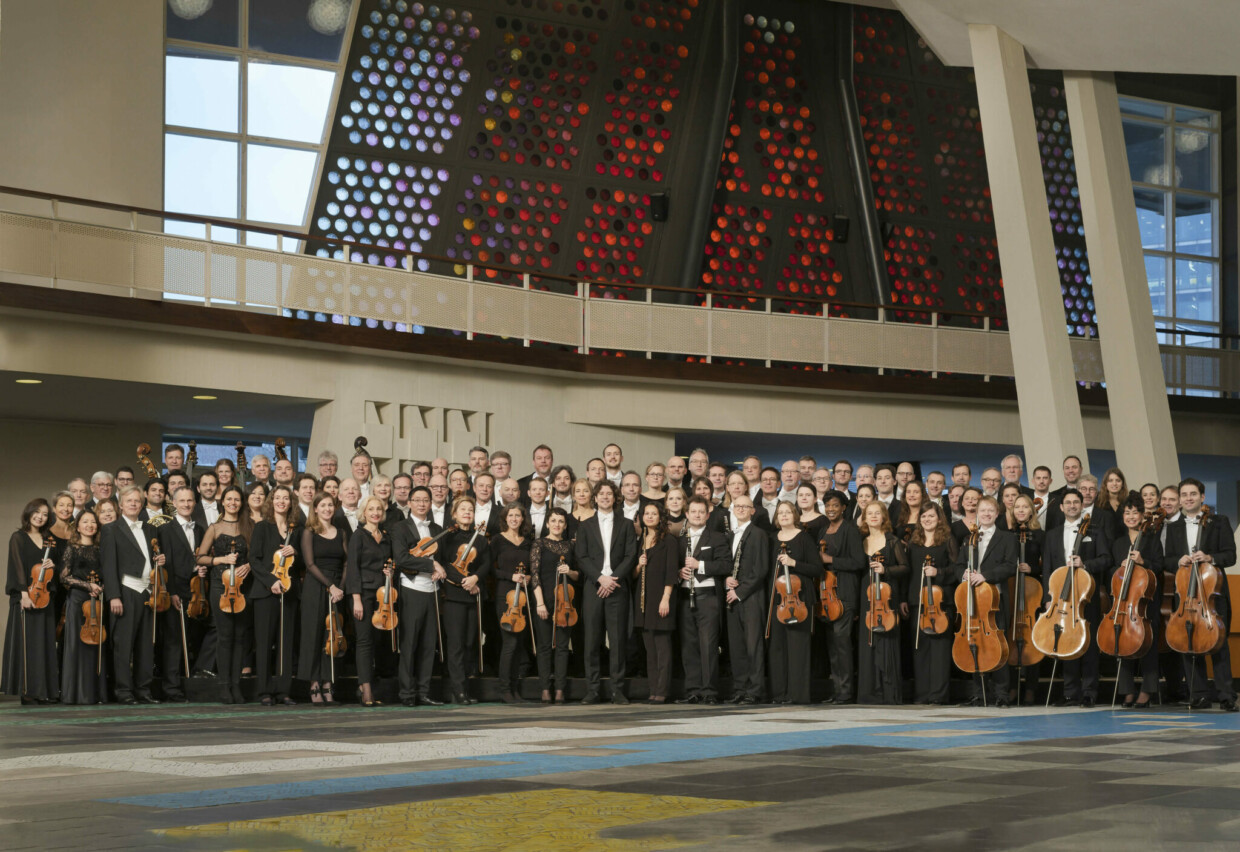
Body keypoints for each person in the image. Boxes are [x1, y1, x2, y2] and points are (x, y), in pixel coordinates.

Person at [1163, 478, 1237, 711]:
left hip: (1212, 594)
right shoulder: (1173, 527)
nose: (1188, 498)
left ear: (1202, 497)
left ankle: (1226, 696)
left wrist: (1210, 558)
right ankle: (1199, 694)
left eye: (1193, 494)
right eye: (1184, 495)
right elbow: (1164, 559)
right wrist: (1178, 560)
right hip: (1186, 594)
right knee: (1189, 643)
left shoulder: (1219, 522)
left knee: (1219, 643)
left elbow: (1230, 556)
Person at [102, 486, 169, 706]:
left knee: (145, 645)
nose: (133, 504)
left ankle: (143, 690)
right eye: (129, 501)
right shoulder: (111, 529)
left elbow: (151, 555)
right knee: (123, 645)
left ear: (142, 504)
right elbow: (109, 566)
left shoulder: (150, 528)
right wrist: (113, 596)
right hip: (126, 591)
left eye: (137, 501)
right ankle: (123, 691)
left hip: (148, 592)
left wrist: (159, 560)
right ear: (120, 504)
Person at [1044, 488, 1109, 708]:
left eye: (1076, 502)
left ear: (1082, 506)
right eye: (1068, 503)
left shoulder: (1096, 531)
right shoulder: (1052, 534)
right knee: (1065, 643)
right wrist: (1047, 598)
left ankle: (1089, 692)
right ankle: (1070, 692)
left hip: (1085, 596)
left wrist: (1085, 564)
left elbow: (1105, 559)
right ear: (1061, 507)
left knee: (1088, 644)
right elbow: (1047, 568)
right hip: (1061, 598)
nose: (1072, 506)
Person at [951, 495, 1018, 707]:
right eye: (983, 511)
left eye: (990, 510)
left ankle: (1001, 695)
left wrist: (985, 575)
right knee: (974, 644)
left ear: (997, 513)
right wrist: (964, 574)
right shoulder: (968, 538)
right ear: (977, 514)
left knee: (998, 646)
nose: (986, 514)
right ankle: (980, 694)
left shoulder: (1007, 538)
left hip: (994, 600)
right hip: (972, 600)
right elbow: (957, 565)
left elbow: (1009, 566)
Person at [574, 480, 637, 704]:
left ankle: (617, 690)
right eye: (601, 494)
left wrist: (612, 579)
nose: (605, 497)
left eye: (609, 494)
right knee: (591, 640)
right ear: (595, 497)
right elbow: (581, 557)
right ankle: (592, 690)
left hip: (617, 588)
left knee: (618, 641)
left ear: (615, 497)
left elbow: (631, 555)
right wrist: (600, 578)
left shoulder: (627, 524)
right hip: (594, 588)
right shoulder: (585, 525)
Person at [196, 485, 253, 704]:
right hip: (221, 587)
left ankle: (236, 685)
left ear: (241, 503)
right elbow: (200, 557)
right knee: (225, 636)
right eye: (229, 499)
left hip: (243, 587)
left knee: (240, 637)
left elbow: (257, 557)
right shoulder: (215, 528)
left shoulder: (249, 527)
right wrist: (220, 560)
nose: (233, 503)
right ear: (223, 502)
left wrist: (247, 565)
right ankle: (223, 686)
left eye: (237, 499)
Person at [390, 485, 447, 707]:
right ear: (410, 502)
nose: (422, 504)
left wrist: (439, 569)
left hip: (432, 593)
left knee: (427, 645)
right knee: (409, 644)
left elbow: (443, 560)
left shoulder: (437, 528)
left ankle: (424, 692)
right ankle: (407, 694)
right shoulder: (400, 528)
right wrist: (432, 563)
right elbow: (402, 559)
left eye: (426, 500)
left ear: (431, 503)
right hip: (411, 591)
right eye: (417, 500)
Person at [247, 485, 301, 706]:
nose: (281, 501)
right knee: (264, 642)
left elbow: (304, 562)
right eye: (277, 498)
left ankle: (283, 690)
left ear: (291, 502)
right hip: (265, 592)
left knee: (285, 643)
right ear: (271, 501)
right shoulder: (262, 527)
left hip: (288, 591)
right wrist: (271, 581)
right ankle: (264, 691)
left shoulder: (295, 530)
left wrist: (295, 552)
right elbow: (254, 559)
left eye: (285, 498)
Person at [3, 499, 60, 703]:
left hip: (44, 597)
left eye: (45, 514)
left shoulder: (48, 539)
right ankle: (27, 692)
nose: (40, 517)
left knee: (44, 645)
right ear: (28, 513)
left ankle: (44, 691)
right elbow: (16, 567)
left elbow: (53, 571)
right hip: (26, 598)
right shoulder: (18, 537)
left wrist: (52, 563)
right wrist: (23, 595)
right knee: (27, 646)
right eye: (36, 512)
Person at [675, 495, 730, 705]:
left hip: (708, 598)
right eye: (693, 511)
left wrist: (701, 566)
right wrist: (679, 572)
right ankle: (693, 690)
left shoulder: (717, 538)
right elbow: (673, 566)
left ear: (707, 515)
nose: (697, 515)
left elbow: (725, 565)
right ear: (687, 514)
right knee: (689, 645)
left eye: (701, 512)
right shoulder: (680, 540)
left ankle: (709, 691)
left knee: (708, 645)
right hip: (684, 596)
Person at [1111, 495, 1163, 709]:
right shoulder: (1119, 543)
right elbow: (1111, 574)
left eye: (1135, 512)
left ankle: (1148, 690)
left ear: (1142, 516)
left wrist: (1143, 562)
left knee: (1148, 645)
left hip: (1146, 601)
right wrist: (1119, 568)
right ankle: (1127, 690)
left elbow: (1159, 567)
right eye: (1127, 512)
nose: (1131, 516)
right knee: (1124, 644)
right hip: (1125, 603)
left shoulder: (1152, 540)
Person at [768, 501, 822, 705]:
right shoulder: (772, 539)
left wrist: (794, 563)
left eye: (788, 512)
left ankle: (798, 695)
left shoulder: (804, 538)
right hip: (778, 600)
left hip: (799, 600)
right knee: (778, 649)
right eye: (780, 513)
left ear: (794, 515)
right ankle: (779, 693)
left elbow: (817, 569)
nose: (783, 515)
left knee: (798, 648)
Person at [439, 496, 490, 705]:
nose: (467, 512)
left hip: (473, 594)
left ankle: (466, 690)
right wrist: (463, 581)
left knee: (470, 643)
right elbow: (444, 563)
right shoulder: (448, 537)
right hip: (453, 596)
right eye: (463, 509)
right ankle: (458, 691)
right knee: (456, 645)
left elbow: (486, 563)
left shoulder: (480, 538)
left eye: (470, 509)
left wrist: (475, 578)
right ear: (454, 514)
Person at [857, 502, 908, 704]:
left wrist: (886, 570)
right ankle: (869, 693)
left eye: (877, 513)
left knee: (886, 643)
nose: (873, 516)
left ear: (884, 516)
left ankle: (888, 693)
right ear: (865, 518)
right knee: (867, 641)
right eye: (869, 513)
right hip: (866, 597)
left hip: (887, 597)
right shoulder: (861, 541)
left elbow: (905, 567)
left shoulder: (892, 541)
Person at [345, 495, 394, 707]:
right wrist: (356, 599)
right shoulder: (358, 536)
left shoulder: (385, 537)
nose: (375, 512)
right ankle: (366, 691)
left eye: (378, 509)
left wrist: (390, 571)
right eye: (371, 509)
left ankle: (367, 686)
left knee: (375, 643)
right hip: (362, 594)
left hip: (381, 596)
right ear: (364, 512)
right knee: (364, 642)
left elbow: (388, 563)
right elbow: (353, 568)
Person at [300, 492, 348, 705]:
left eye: (331, 505)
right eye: (323, 505)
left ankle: (328, 683)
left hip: (337, 588)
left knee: (332, 637)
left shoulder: (342, 532)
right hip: (316, 587)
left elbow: (347, 562)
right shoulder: (309, 532)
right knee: (314, 635)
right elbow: (310, 564)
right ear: (316, 509)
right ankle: (314, 684)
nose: (328, 509)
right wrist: (330, 586)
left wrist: (340, 588)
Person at [907, 502, 957, 705]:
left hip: (940, 602)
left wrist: (939, 573)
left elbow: (956, 569)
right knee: (920, 650)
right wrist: (904, 599)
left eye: (931, 516)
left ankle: (938, 695)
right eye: (924, 517)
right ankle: (922, 694)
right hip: (916, 601)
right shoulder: (914, 542)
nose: (927, 520)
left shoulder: (947, 540)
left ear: (939, 519)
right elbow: (909, 573)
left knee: (940, 652)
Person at [818, 492, 864, 705]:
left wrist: (830, 559)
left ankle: (846, 692)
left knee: (842, 644)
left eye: (835, 505)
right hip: (826, 596)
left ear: (844, 507)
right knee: (832, 647)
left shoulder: (851, 530)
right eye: (827, 505)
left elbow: (858, 562)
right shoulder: (822, 530)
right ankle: (837, 690)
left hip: (844, 594)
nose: (831, 509)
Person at [58, 509, 108, 705]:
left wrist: (101, 587)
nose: (90, 525)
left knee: (97, 644)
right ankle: (77, 694)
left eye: (93, 522)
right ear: (77, 526)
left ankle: (96, 693)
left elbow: (107, 574)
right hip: (78, 601)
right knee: (77, 646)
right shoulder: (73, 548)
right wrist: (88, 585)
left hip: (97, 600)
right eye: (85, 522)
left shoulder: (101, 549)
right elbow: (64, 577)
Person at [723, 495, 769, 705]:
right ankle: (740, 688)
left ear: (753, 511)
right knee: (737, 646)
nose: (740, 509)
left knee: (753, 646)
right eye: (737, 506)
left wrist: (740, 591)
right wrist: (728, 580)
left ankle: (755, 690)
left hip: (750, 597)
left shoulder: (758, 534)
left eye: (745, 506)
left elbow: (761, 569)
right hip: (733, 597)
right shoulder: (731, 535)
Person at [531, 508, 577, 704]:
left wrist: (570, 571)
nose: (557, 524)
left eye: (561, 521)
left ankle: (559, 689)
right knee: (543, 647)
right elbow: (534, 576)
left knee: (562, 647)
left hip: (565, 603)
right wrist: (540, 603)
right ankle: (544, 689)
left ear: (565, 525)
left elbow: (579, 575)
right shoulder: (539, 544)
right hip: (544, 601)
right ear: (547, 524)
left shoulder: (571, 546)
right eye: (554, 521)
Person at [634, 502, 677, 703]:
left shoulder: (669, 540)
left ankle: (662, 690)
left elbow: (671, 572)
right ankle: (653, 689)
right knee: (649, 649)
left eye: (654, 513)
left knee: (662, 649)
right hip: (643, 600)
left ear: (661, 516)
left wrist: (666, 598)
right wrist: (638, 565)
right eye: (646, 513)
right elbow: (634, 575)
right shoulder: (640, 540)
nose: (650, 516)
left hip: (661, 598)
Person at [493, 503, 535, 704]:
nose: (514, 519)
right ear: (505, 518)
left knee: (519, 644)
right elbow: (491, 570)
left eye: (518, 515)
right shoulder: (497, 540)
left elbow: (531, 568)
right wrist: (511, 576)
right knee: (509, 642)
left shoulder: (527, 542)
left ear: (522, 519)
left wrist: (527, 577)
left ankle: (515, 689)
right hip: (504, 596)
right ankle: (505, 689)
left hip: (523, 598)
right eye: (511, 515)